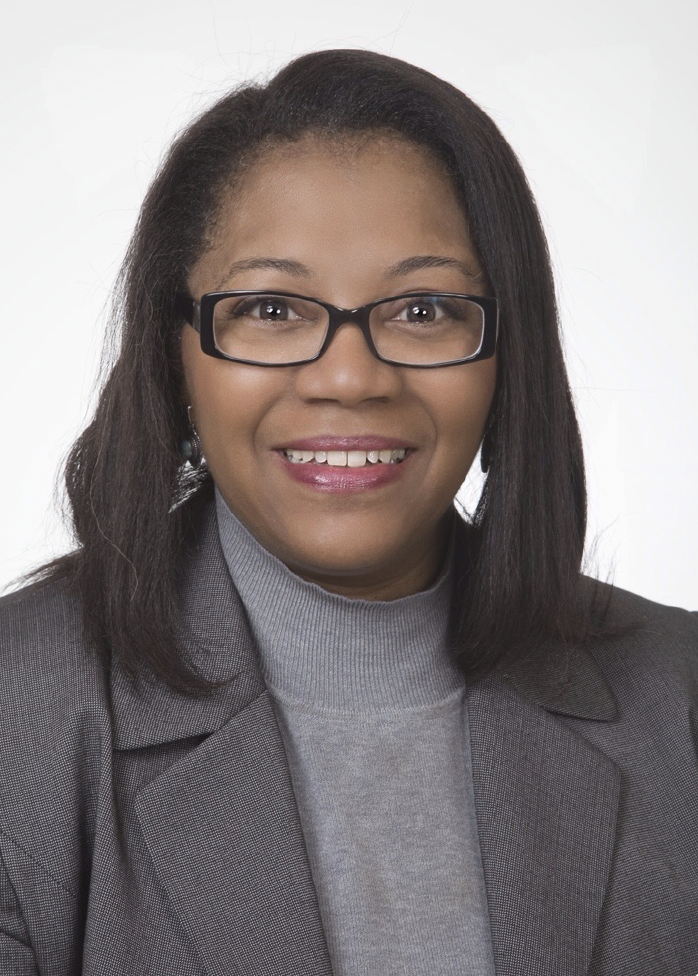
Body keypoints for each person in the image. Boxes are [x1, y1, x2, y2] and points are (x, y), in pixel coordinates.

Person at [0, 48, 696, 976]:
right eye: (271, 309)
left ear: (507, 352)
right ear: (177, 354)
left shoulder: (679, 697)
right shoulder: (17, 719)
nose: (350, 378)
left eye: (424, 310)